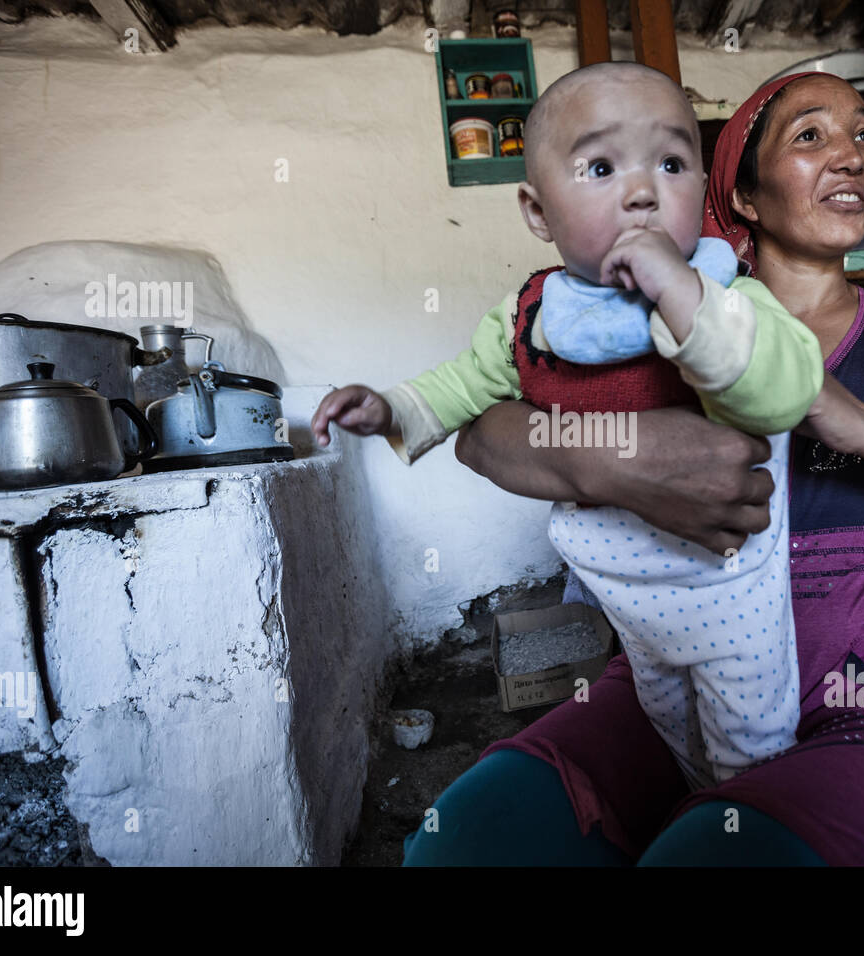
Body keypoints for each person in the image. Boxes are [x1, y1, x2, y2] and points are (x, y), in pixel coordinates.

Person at [396, 68, 864, 867]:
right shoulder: (644, 313)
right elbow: (480, 435)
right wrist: (617, 463)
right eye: (810, 137)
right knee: (464, 847)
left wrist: (854, 420)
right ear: (748, 198)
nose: (853, 156)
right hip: (667, 686)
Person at [311, 62, 826, 789]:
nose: (643, 191)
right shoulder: (532, 316)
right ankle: (693, 804)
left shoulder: (729, 294)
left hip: (729, 595)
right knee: (671, 727)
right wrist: (391, 407)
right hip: (622, 597)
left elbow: (784, 391)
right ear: (538, 213)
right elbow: (466, 386)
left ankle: (745, 824)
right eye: (601, 166)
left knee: (751, 755)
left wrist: (682, 294)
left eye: (672, 163)